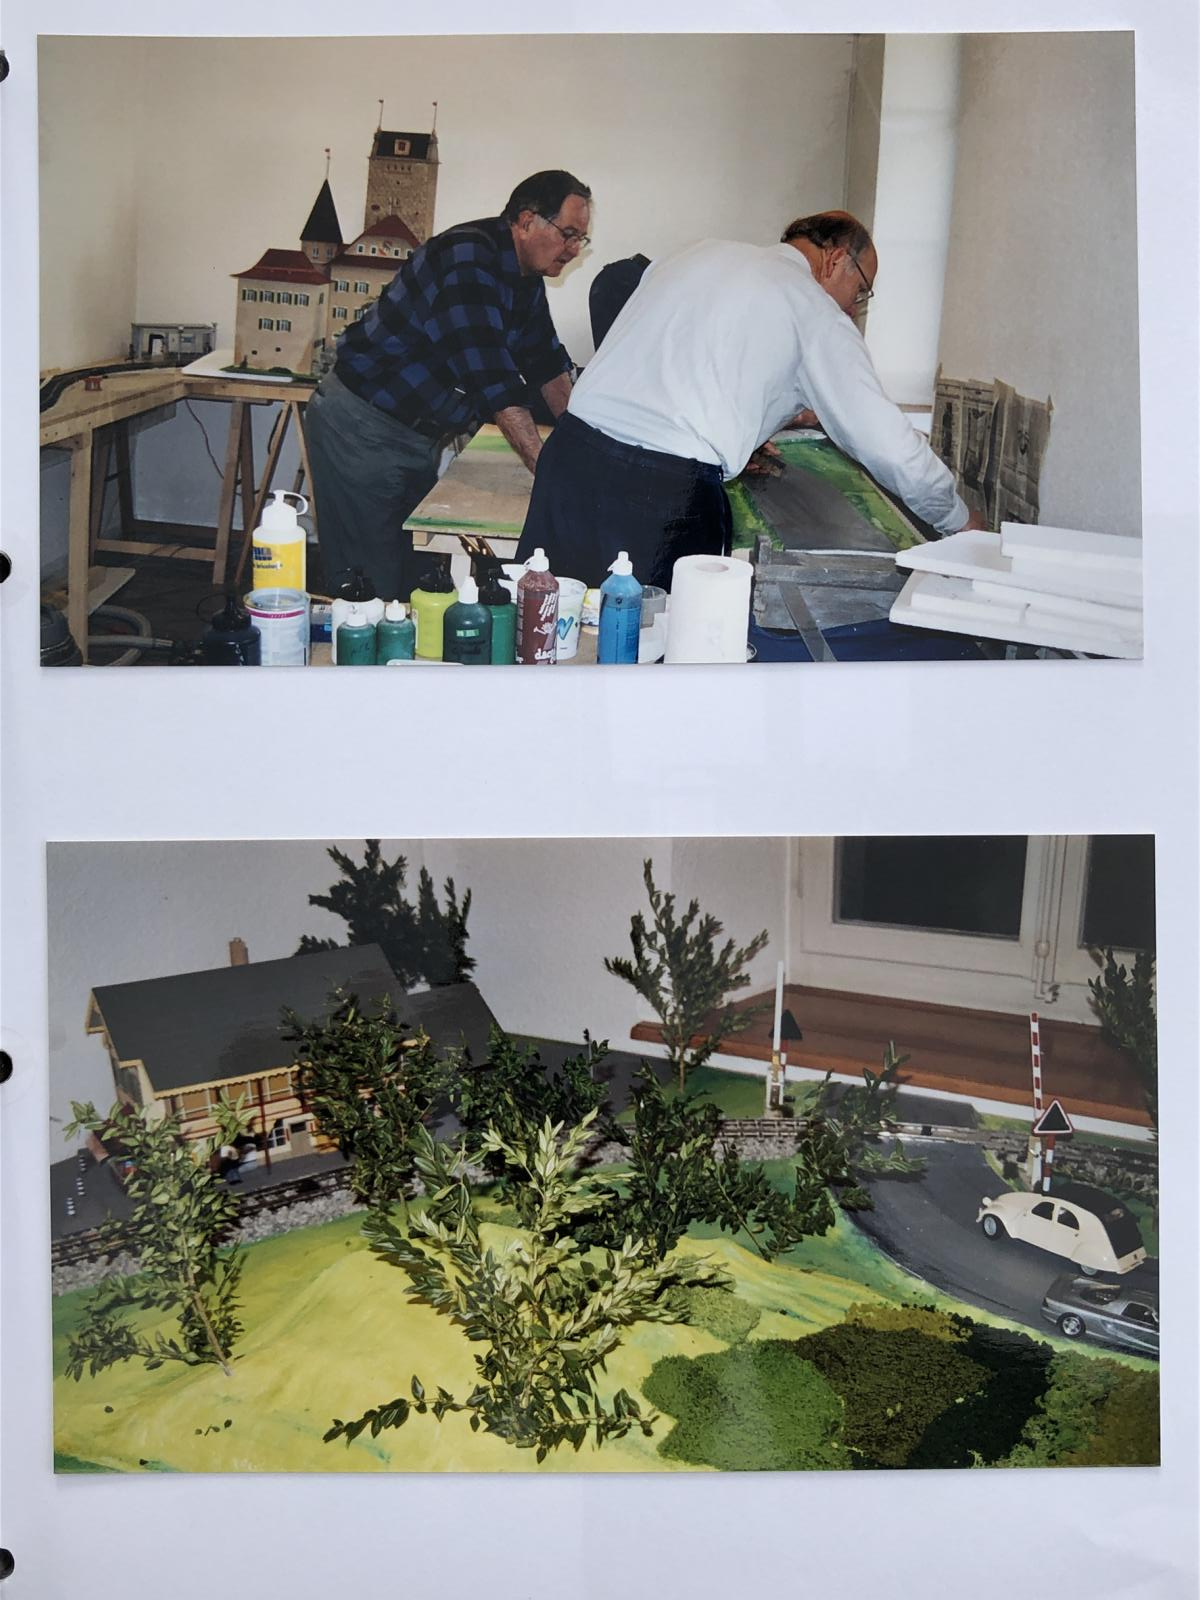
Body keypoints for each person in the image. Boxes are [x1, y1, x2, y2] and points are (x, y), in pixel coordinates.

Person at [516, 210, 983, 590]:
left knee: (543, 623)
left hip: (570, 457)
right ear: (837, 258)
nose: (852, 308)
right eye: (860, 291)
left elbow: (684, 366)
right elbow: (888, 443)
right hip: (658, 495)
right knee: (652, 649)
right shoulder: (813, 310)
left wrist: (746, 432)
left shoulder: (698, 253)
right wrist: (960, 523)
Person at [306, 170, 592, 601]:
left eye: (581, 239)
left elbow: (546, 362)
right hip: (361, 428)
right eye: (568, 234)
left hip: (415, 436)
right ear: (527, 221)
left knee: (415, 578)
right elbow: (493, 379)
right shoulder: (467, 258)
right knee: (369, 587)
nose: (573, 249)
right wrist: (554, 475)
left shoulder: (524, 277)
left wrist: (580, 447)